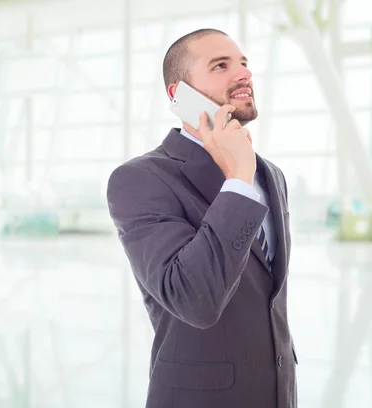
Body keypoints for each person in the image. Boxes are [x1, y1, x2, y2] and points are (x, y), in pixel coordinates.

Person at [106, 28, 297, 408]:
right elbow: (194, 300)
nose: (243, 74)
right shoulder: (141, 179)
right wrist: (238, 180)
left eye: (244, 63)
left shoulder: (271, 175)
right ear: (178, 95)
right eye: (220, 65)